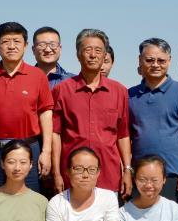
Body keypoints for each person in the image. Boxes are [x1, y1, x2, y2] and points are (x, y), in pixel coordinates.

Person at [0, 22, 54, 193]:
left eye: (17, 41)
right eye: (6, 42)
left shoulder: (38, 76)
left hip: (28, 150)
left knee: (28, 202)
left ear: (25, 45)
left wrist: (46, 152)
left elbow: (46, 116)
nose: (12, 46)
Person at [52, 29, 132, 197]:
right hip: (72, 173)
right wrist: (57, 173)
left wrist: (127, 170)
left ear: (104, 56)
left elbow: (123, 135)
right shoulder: (62, 90)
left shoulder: (119, 91)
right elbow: (55, 134)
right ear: (78, 54)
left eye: (98, 50)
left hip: (109, 173)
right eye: (88, 50)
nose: (93, 55)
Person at [127, 38, 178, 204]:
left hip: (173, 175)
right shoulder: (130, 95)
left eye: (161, 60)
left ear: (169, 61)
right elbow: (126, 136)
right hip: (139, 176)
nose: (155, 65)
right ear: (140, 60)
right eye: (149, 60)